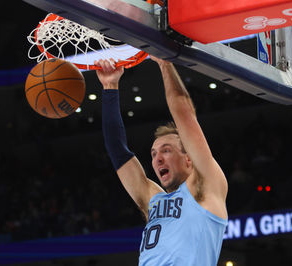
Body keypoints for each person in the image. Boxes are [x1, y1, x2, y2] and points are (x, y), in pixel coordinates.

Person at [95, 57, 228, 266]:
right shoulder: (153, 200)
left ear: (189, 158)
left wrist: (165, 63)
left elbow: (184, 112)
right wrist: (110, 87)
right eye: (154, 153)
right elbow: (118, 151)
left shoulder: (206, 186)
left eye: (166, 150)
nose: (157, 158)